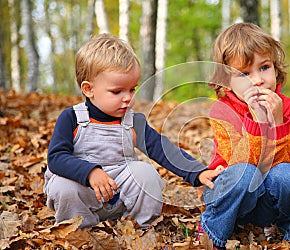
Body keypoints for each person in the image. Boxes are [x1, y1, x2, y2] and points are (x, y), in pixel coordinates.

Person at [44, 33, 223, 228]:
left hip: (120, 196)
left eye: (132, 89)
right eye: (117, 91)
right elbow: (56, 158)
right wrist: (90, 172)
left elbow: (163, 150)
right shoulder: (72, 118)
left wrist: (197, 172)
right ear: (88, 89)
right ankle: (79, 231)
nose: (128, 98)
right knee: (63, 186)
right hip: (83, 195)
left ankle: (141, 226)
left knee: (145, 173)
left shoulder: (132, 122)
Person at [198, 22, 290, 249]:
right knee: (245, 173)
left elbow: (285, 160)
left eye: (264, 67)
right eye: (244, 74)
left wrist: (277, 122)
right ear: (226, 81)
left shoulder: (288, 108)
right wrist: (258, 122)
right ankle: (212, 236)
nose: (258, 80)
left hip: (267, 200)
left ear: (276, 69)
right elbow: (240, 164)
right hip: (232, 198)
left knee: (289, 176)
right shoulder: (222, 111)